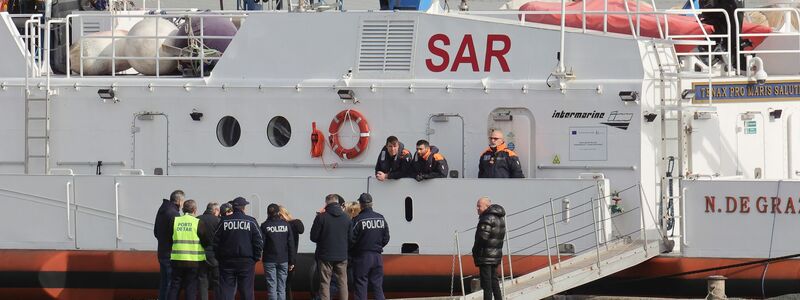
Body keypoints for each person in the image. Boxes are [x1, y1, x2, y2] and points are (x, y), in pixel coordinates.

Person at [213, 197, 263, 300]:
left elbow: (215, 241)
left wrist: (219, 257)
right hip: (246, 261)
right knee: (247, 291)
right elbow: (259, 241)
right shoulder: (251, 221)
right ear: (244, 208)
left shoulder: (224, 221)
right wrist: (256, 258)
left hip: (227, 261)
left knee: (226, 290)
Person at [310, 194, 351, 300]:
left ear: (326, 203)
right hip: (342, 255)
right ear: (337, 202)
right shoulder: (346, 218)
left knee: (325, 283)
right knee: (342, 282)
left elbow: (313, 237)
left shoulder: (321, 217)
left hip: (325, 256)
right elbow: (351, 238)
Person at [349, 193, 389, 300]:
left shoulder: (358, 220)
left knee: (361, 284)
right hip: (377, 256)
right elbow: (386, 237)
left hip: (362, 257)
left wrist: (352, 252)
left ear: (361, 205)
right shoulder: (381, 218)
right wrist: (377, 246)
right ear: (372, 204)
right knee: (377, 286)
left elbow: (351, 239)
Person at [167, 199, 209, 300]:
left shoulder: (175, 221)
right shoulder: (198, 223)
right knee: (191, 287)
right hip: (194, 261)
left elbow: (169, 238)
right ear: (194, 210)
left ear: (183, 209)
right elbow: (206, 242)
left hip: (177, 260)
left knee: (175, 286)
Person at [471, 197, 506, 300]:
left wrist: (475, 250)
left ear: (486, 206)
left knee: (487, 285)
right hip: (495, 255)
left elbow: (482, 238)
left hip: (485, 256)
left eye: (479, 206)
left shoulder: (486, 218)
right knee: (494, 282)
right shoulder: (500, 218)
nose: (477, 208)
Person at [260, 203, 296, 300]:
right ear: (278, 213)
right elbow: (291, 244)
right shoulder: (286, 225)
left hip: (269, 260)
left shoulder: (264, 226)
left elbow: (261, 244)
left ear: (268, 213)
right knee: (282, 287)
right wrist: (292, 261)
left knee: (272, 286)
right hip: (283, 259)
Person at [155, 190, 185, 300]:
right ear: (180, 201)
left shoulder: (161, 210)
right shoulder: (174, 214)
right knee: (170, 283)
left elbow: (156, 232)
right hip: (170, 254)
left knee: (164, 283)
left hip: (162, 252)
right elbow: (177, 235)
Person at [278, 206, 304, 300]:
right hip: (292, 258)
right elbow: (301, 229)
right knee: (287, 284)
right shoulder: (295, 223)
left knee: (280, 285)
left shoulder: (282, 225)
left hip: (282, 257)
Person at [198, 202, 221, 300]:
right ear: (215, 210)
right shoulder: (218, 221)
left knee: (202, 280)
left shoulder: (197, 219)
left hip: (200, 253)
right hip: (214, 254)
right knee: (217, 280)